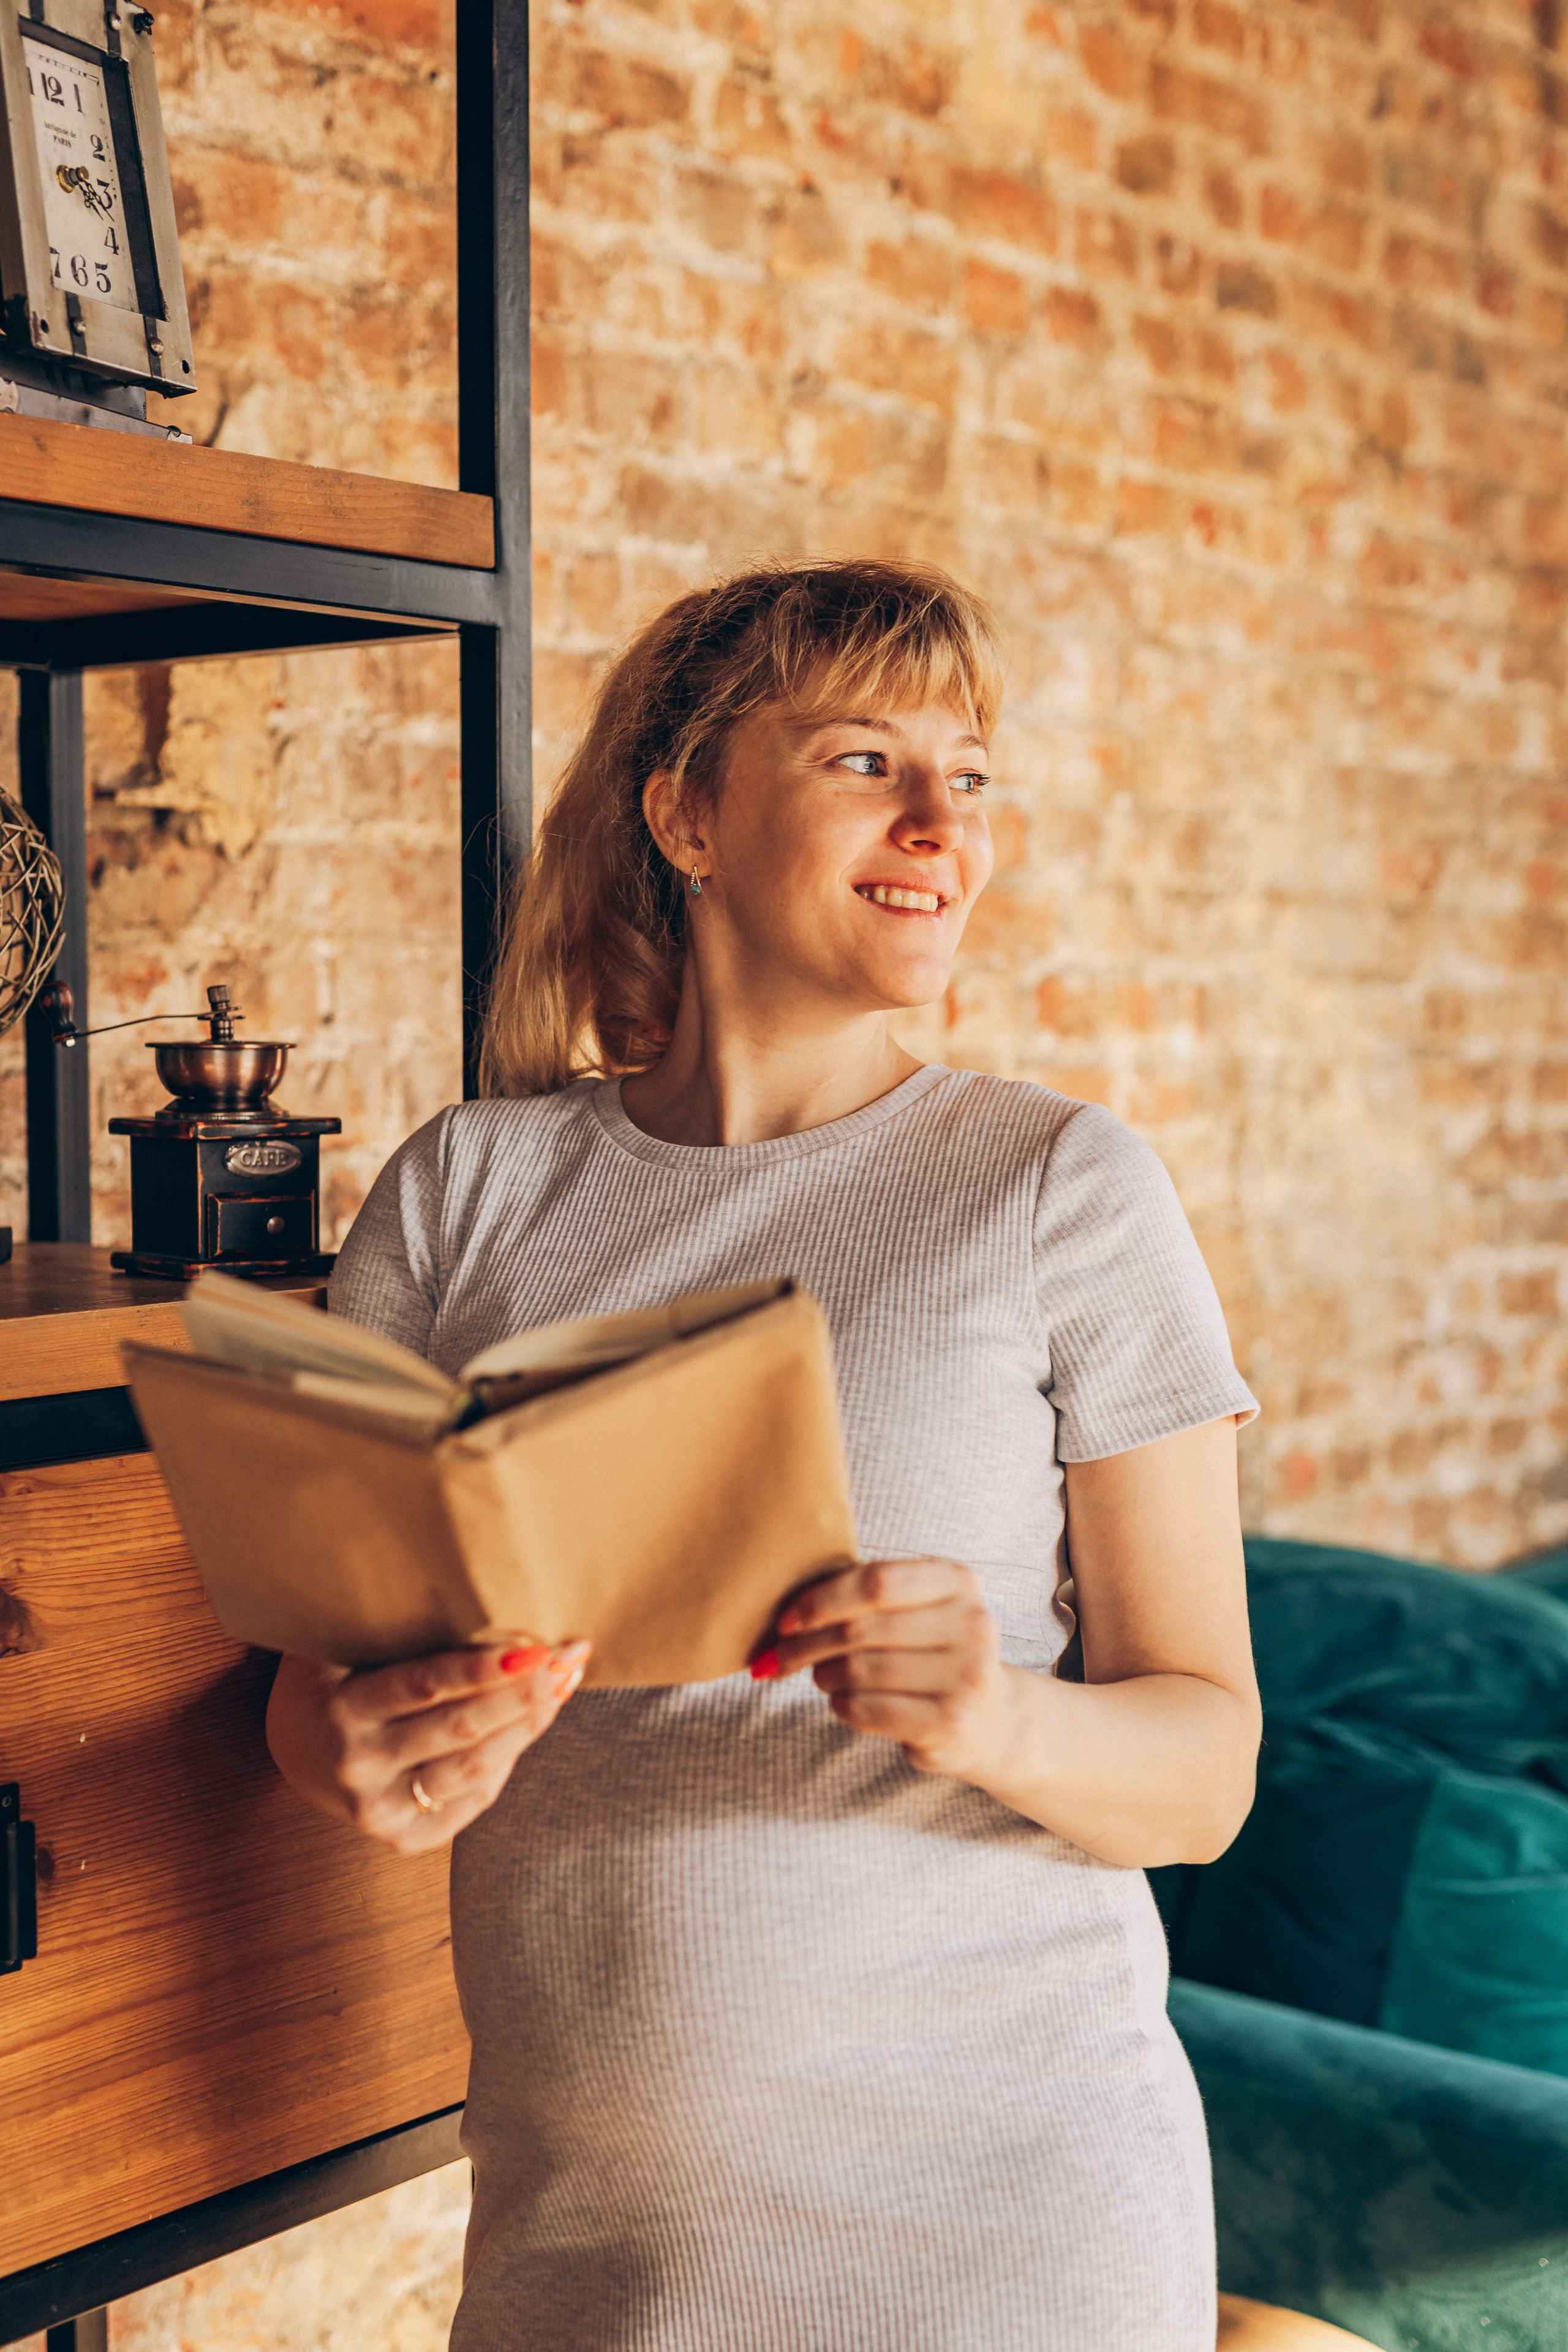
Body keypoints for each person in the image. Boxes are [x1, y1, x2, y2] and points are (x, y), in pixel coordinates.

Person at [266, 560, 1261, 2351]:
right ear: (689, 814)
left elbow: (1205, 1776)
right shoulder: (467, 1192)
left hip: (1015, 2245)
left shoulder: (1058, 1186)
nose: (943, 820)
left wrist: (991, 1713)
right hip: (587, 2257)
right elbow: (320, 1687)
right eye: (871, 760)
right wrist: (354, 1749)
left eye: (973, 771)